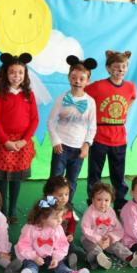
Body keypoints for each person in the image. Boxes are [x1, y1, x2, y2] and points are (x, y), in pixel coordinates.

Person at [0, 53, 39, 224]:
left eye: (20, 73)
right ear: (5, 74)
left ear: (25, 75)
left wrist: (24, 140)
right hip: (4, 142)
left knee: (16, 179)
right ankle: (1, 210)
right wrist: (5, 141)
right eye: (12, 72)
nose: (16, 76)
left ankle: (12, 210)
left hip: (22, 143)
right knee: (2, 179)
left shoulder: (28, 94)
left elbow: (35, 119)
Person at [85, 50, 136, 212]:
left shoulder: (130, 87)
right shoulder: (99, 86)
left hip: (119, 138)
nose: (120, 70)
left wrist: (124, 112)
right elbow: (83, 93)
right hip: (99, 137)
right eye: (116, 67)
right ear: (108, 68)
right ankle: (93, 202)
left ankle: (120, 202)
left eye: (123, 67)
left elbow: (132, 97)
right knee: (95, 174)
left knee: (118, 175)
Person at [47, 56, 97, 202]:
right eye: (74, 77)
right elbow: (50, 121)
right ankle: (48, 208)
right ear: (69, 78)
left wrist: (87, 144)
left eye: (82, 79)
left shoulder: (90, 102)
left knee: (72, 181)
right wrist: (55, 141)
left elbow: (92, 126)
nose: (77, 81)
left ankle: (66, 209)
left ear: (87, 81)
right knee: (55, 180)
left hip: (78, 150)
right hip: (61, 147)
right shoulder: (62, 98)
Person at [15, 196, 90, 273]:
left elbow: (62, 245)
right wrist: (34, 257)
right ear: (43, 218)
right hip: (34, 255)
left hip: (50, 255)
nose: (60, 220)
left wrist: (56, 258)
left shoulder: (58, 228)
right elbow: (24, 245)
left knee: (60, 265)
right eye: (56, 217)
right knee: (31, 265)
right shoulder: (30, 228)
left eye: (60, 216)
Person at [81, 183, 137, 270]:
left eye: (106, 200)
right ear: (93, 199)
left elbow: (119, 229)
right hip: (91, 239)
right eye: (99, 200)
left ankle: (130, 257)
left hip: (107, 239)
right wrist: (98, 239)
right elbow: (85, 229)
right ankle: (102, 259)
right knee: (94, 248)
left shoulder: (110, 211)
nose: (103, 203)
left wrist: (110, 238)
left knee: (117, 246)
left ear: (111, 201)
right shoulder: (89, 213)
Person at [42, 176, 86, 270]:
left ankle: (90, 257)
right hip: (48, 241)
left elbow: (72, 222)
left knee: (75, 249)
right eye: (60, 195)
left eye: (66, 194)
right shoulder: (44, 207)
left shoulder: (68, 207)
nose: (64, 198)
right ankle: (68, 260)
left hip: (64, 240)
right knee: (56, 255)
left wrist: (70, 234)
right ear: (49, 194)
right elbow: (36, 223)